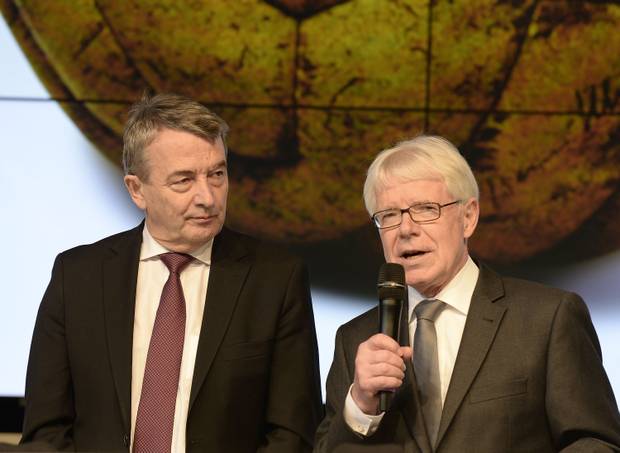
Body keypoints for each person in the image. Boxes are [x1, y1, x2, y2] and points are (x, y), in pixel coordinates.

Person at [21, 93, 323, 452]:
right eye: (184, 180)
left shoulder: (276, 279)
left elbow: (292, 434)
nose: (208, 197)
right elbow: (46, 431)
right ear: (137, 190)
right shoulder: (77, 277)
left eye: (217, 174)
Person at [314, 135, 620, 452]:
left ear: (468, 217)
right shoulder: (355, 339)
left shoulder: (547, 319)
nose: (405, 229)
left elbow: (597, 443)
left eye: (426, 209)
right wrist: (360, 405)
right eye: (389, 215)